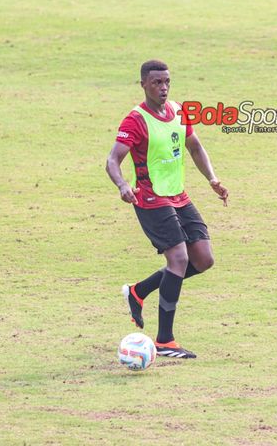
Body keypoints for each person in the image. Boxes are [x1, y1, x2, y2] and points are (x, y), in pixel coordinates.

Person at [105, 60, 229, 359]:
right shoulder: (135, 121)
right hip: (149, 198)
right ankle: (165, 341)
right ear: (144, 85)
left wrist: (212, 178)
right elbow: (112, 160)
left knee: (203, 259)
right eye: (157, 82)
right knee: (178, 259)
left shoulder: (178, 112)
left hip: (179, 197)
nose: (163, 87)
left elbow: (195, 147)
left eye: (167, 82)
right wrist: (123, 186)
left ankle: (138, 291)